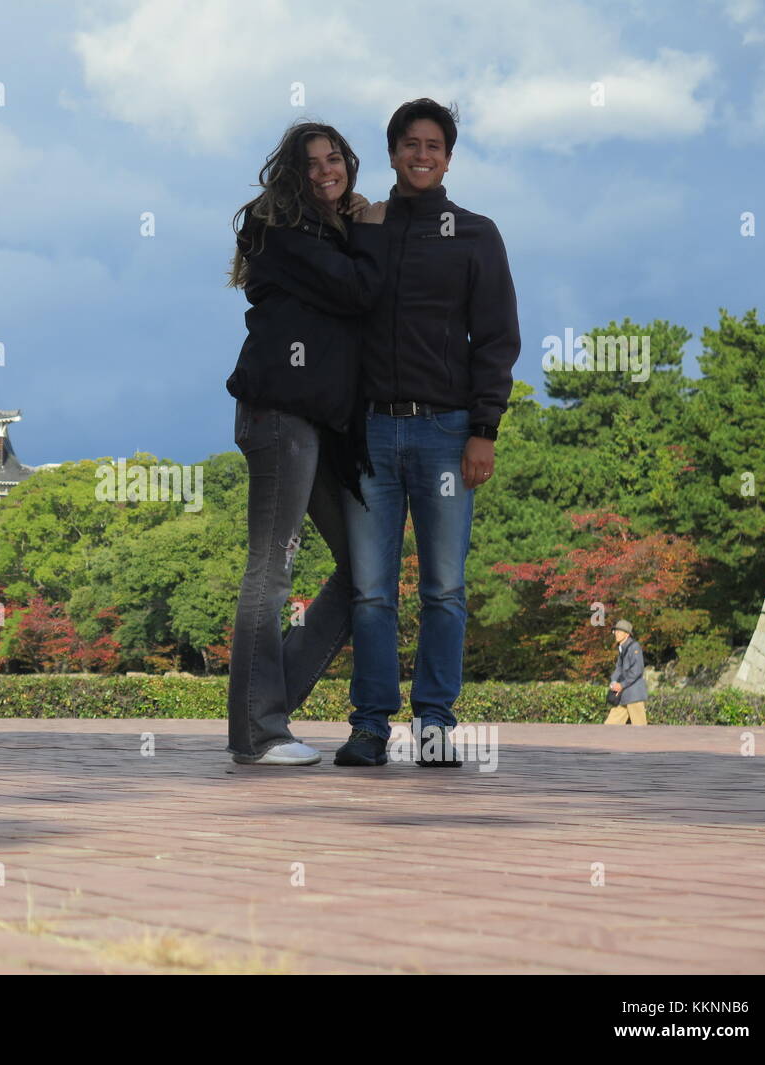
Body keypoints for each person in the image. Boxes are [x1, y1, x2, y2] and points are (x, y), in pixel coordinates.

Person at [335, 99, 520, 768]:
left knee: (443, 587)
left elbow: (497, 339)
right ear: (390, 152)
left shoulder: (476, 234)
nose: (421, 154)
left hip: (446, 433)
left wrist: (484, 430)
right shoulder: (364, 229)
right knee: (371, 591)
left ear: (448, 155)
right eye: (409, 143)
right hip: (370, 436)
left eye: (434, 144)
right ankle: (368, 726)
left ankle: (436, 722)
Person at [224, 120, 389, 766]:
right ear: (293, 173)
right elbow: (359, 289)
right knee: (271, 571)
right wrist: (371, 228)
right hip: (278, 417)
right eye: (313, 163)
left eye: (335, 158)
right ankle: (258, 730)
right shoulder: (280, 232)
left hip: (324, 425)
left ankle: (263, 710)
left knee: (364, 575)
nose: (327, 170)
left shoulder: (334, 228)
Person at [606, 619, 648, 725]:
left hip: (634, 695)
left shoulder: (634, 647)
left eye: (619, 631)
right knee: (609, 726)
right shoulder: (622, 648)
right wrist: (614, 682)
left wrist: (621, 685)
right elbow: (618, 668)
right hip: (623, 695)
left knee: (640, 729)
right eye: (615, 631)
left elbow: (637, 670)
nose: (616, 633)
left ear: (627, 634)